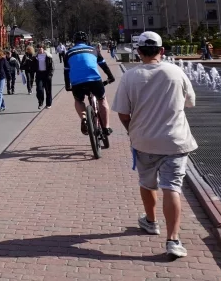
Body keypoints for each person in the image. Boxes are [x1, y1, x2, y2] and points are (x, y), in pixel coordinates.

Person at [112, 31, 198, 260]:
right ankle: (173, 240)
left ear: (138, 52)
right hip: (175, 140)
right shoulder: (176, 72)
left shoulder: (130, 76)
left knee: (147, 183)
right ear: (162, 50)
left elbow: (123, 113)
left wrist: (132, 130)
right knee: (172, 188)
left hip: (144, 141)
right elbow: (190, 102)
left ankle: (151, 222)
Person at [63, 32, 116, 136]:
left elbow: (66, 71)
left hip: (77, 82)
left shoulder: (68, 53)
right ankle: (106, 127)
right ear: (86, 40)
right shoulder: (93, 50)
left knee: (78, 100)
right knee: (102, 99)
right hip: (94, 80)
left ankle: (84, 118)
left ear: (74, 41)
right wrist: (111, 77)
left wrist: (67, 85)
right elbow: (103, 65)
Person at [34, 45, 55, 109]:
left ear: (43, 49)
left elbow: (52, 67)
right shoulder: (35, 56)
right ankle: (40, 102)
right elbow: (33, 66)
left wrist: (50, 75)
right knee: (39, 89)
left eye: (41, 48)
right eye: (38, 48)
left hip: (47, 74)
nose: (39, 50)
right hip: (39, 74)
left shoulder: (48, 56)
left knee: (48, 90)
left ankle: (48, 104)